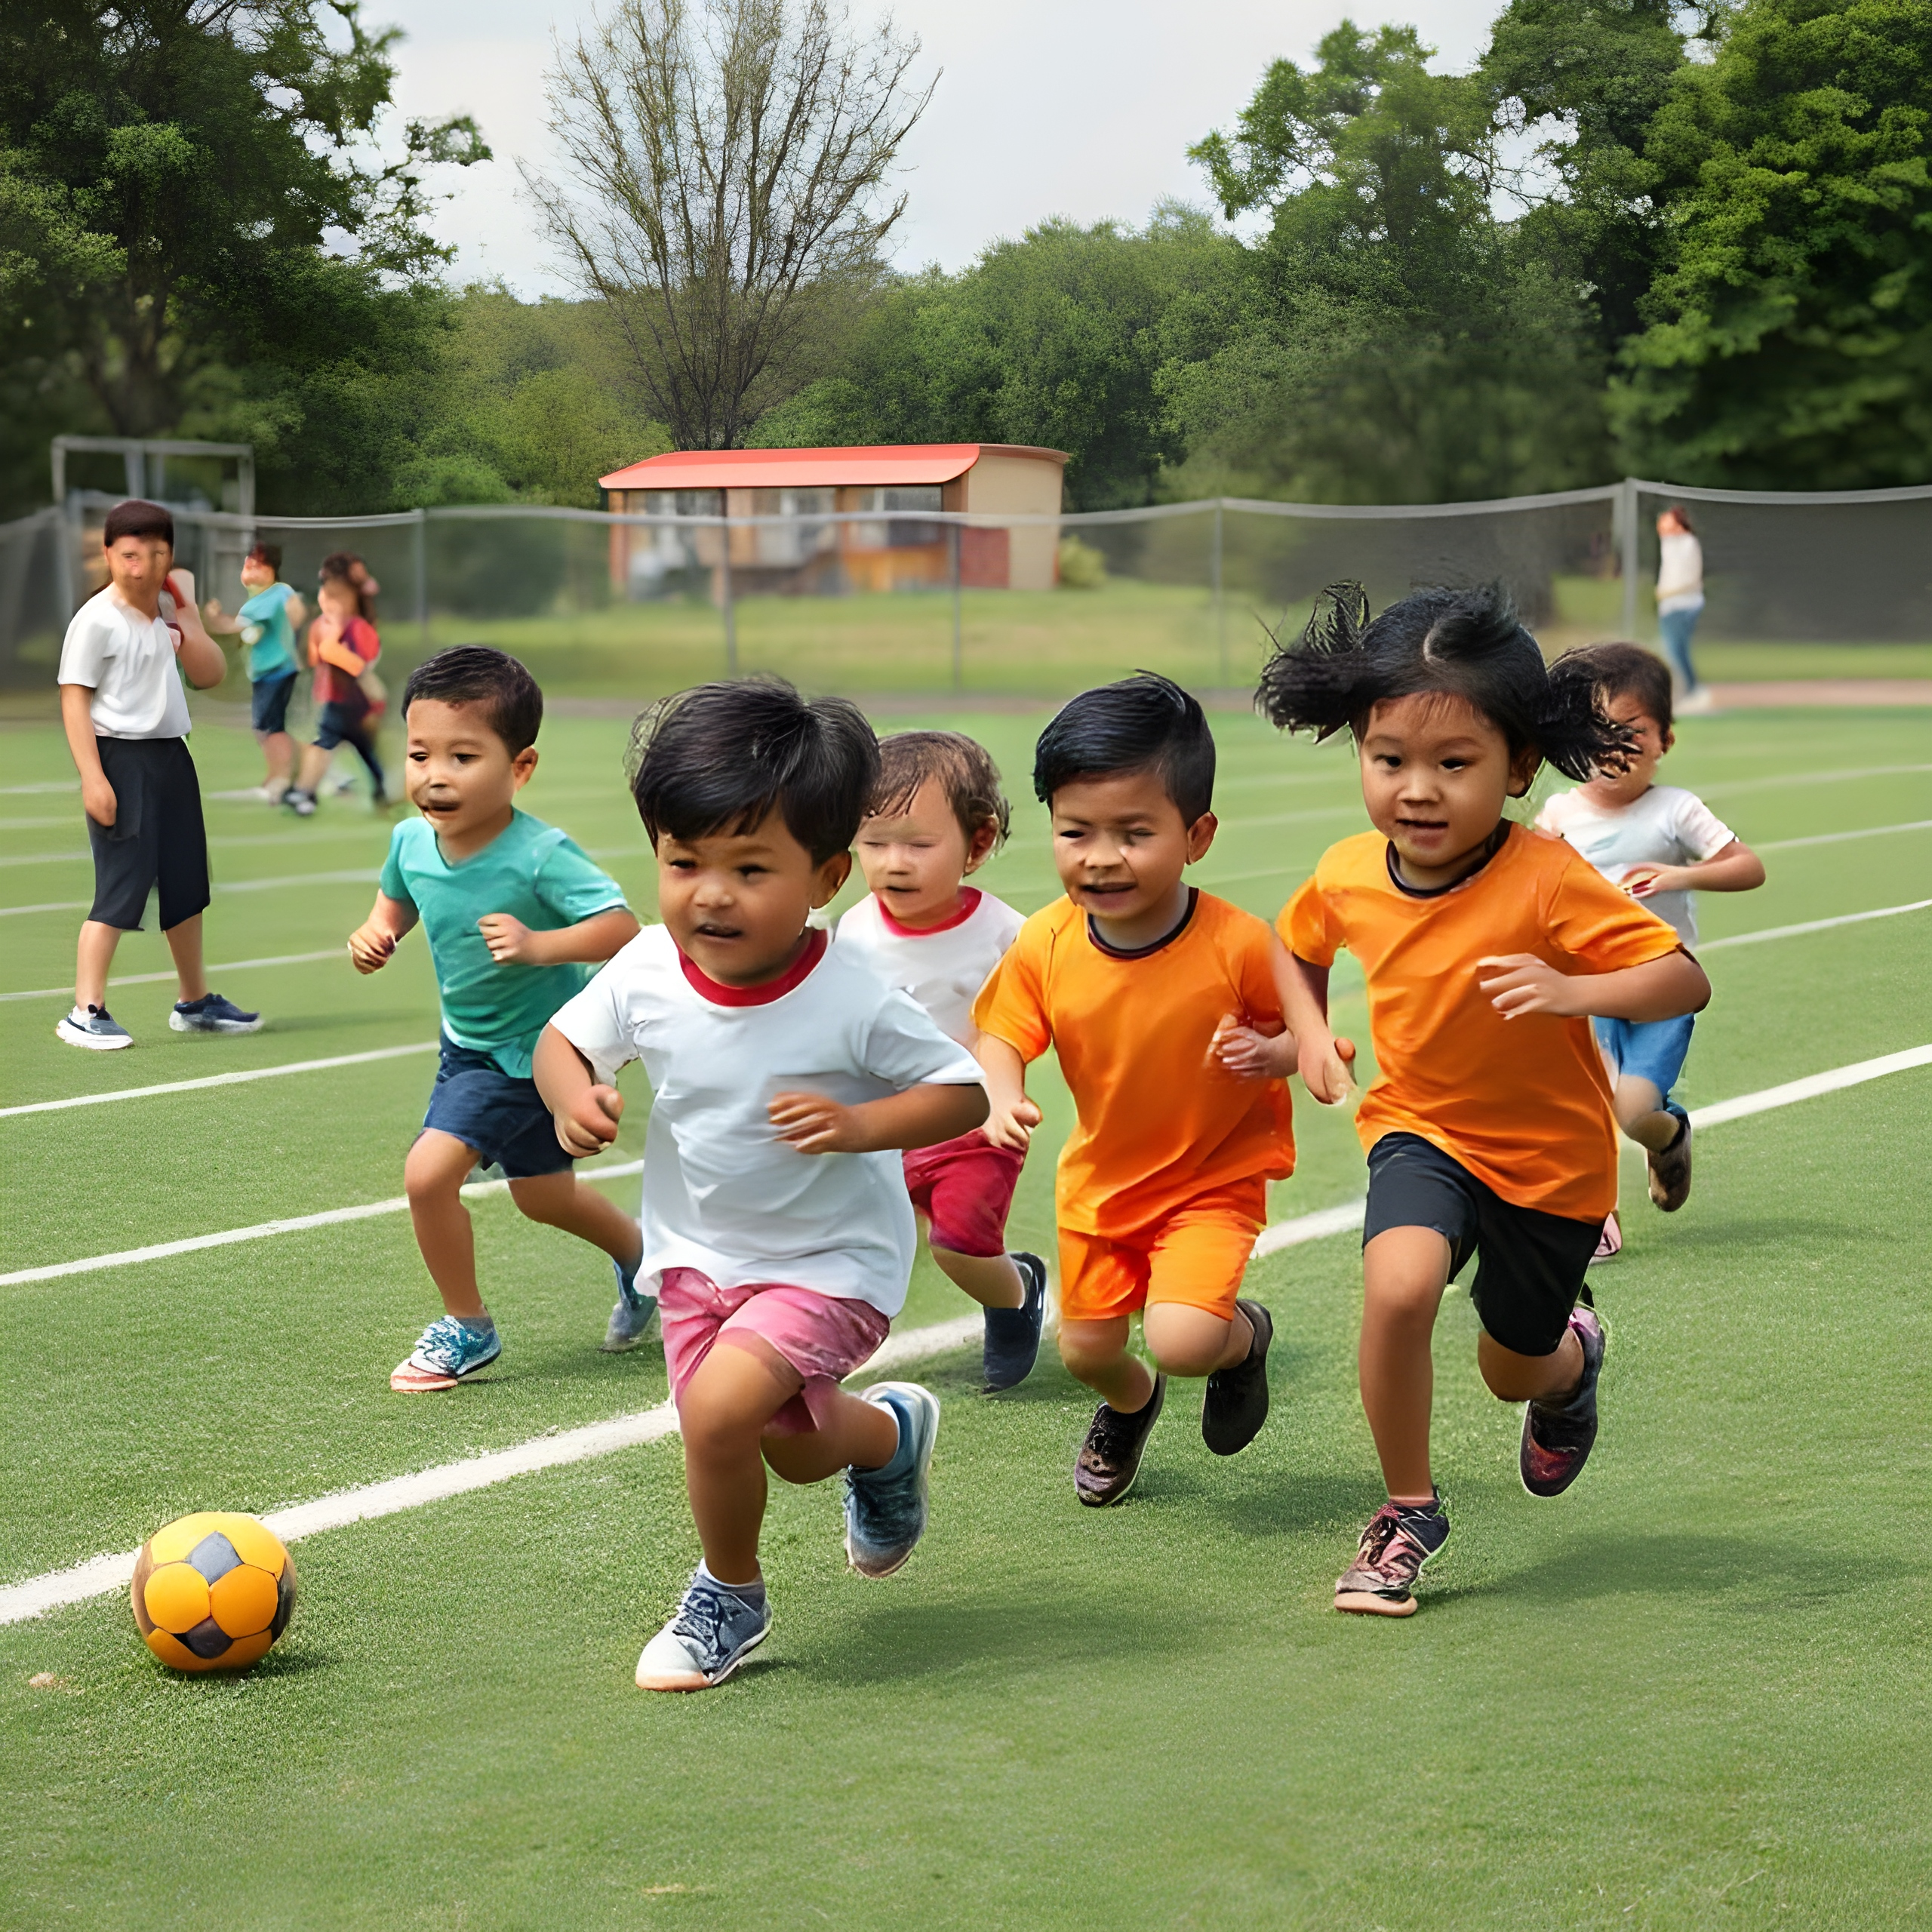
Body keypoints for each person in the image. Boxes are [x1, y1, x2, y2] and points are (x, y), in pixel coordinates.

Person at [1258, 582, 1711, 1617]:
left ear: (1516, 769)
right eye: (1390, 761)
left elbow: (1682, 978)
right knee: (1400, 1286)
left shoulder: (1547, 880)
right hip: (1420, 1128)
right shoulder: (1347, 871)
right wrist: (1308, 1035)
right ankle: (1406, 1511)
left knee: (1513, 1367)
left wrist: (1573, 989)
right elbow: (1294, 945)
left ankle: (1569, 1364)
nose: (1416, 790)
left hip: (1551, 1164)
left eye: (1452, 765)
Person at [534, 679, 989, 1693]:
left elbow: (960, 1093)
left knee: (719, 1416)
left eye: (750, 868)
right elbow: (562, 1041)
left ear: (827, 875)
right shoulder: (648, 970)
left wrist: (863, 1124)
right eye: (683, 862)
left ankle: (728, 1595)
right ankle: (889, 1436)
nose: (710, 894)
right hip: (701, 1255)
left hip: (834, 1263)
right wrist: (575, 1097)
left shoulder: (853, 995)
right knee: (786, 1448)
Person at [972, 673, 1294, 1508]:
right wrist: (1001, 1094)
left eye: (1133, 832)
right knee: (1087, 1351)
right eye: (1075, 831)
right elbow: (1003, 1030)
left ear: (1197, 835)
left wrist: (1278, 1050)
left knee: (1184, 1338)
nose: (1101, 856)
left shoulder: (1239, 945)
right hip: (1102, 1185)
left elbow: (1312, 1034)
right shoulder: (1045, 939)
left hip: (1211, 1179)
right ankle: (1132, 1402)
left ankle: (1242, 1338)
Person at [345, 647, 647, 1392]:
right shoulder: (410, 839)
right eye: (420, 754)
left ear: (521, 767)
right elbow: (400, 895)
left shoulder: (541, 856)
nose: (435, 774)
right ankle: (647, 1263)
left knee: (437, 1178)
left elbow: (621, 927)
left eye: (463, 755)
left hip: (542, 1055)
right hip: (471, 1050)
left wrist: (542, 945)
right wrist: (378, 930)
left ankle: (470, 1330)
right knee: (538, 1196)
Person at [832, 730, 1048, 1391]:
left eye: (918, 845)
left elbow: (1012, 1026)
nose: (894, 863)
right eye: (874, 844)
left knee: (956, 1245)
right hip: (885, 1129)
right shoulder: (857, 928)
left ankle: (1015, 1296)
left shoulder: (1007, 934)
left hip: (975, 1125)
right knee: (848, 1246)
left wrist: (1002, 1098)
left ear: (976, 845)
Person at [1537, 642, 1765, 1254]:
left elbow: (1748, 867)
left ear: (1665, 739)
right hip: (1590, 990)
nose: (1613, 750)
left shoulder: (1676, 811)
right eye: (1598, 732)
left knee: (1634, 1110)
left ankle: (1668, 1139)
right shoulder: (1559, 815)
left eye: (1631, 733)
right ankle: (1593, 1219)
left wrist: (1678, 875)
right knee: (1583, 1108)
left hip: (1662, 989)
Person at [55, 498, 264, 1050]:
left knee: (185, 882)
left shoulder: (167, 614)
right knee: (121, 887)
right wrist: (93, 778)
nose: (141, 566)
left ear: (169, 556)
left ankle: (193, 1001)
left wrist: (186, 612)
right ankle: (85, 1009)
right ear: (109, 555)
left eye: (154, 554)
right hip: (121, 761)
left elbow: (211, 674)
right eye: (129, 555)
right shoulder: (96, 620)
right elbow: (74, 700)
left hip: (173, 757)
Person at [202, 543, 305, 801]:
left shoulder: (271, 597)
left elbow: (233, 627)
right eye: (247, 565)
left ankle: (282, 779)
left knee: (269, 728)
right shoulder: (270, 597)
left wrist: (213, 619)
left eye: (256, 565)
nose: (248, 570)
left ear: (270, 570)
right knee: (269, 727)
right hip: (268, 671)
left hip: (277, 670)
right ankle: (284, 776)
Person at [285, 567, 385, 815]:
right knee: (360, 747)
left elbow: (345, 656)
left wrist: (362, 676)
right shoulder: (330, 625)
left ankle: (304, 793)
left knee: (328, 744)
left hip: (349, 700)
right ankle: (380, 788)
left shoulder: (354, 626)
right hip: (341, 699)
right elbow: (318, 656)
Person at [1654, 505, 1711, 713]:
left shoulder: (1687, 543)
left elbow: (1689, 579)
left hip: (1683, 604)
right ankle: (1686, 692)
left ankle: (1694, 691)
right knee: (1673, 651)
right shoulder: (1669, 545)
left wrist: (1666, 593)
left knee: (1676, 651)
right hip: (1670, 605)